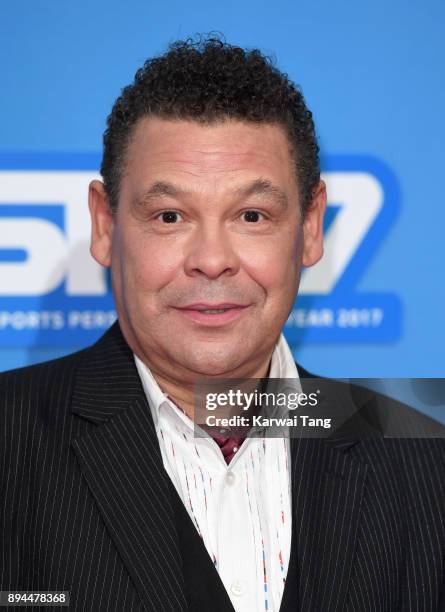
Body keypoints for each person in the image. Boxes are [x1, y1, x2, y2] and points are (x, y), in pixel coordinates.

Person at [1, 36, 444, 612]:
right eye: (169, 216)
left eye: (252, 215)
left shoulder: (423, 467)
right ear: (105, 225)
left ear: (311, 227)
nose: (211, 258)